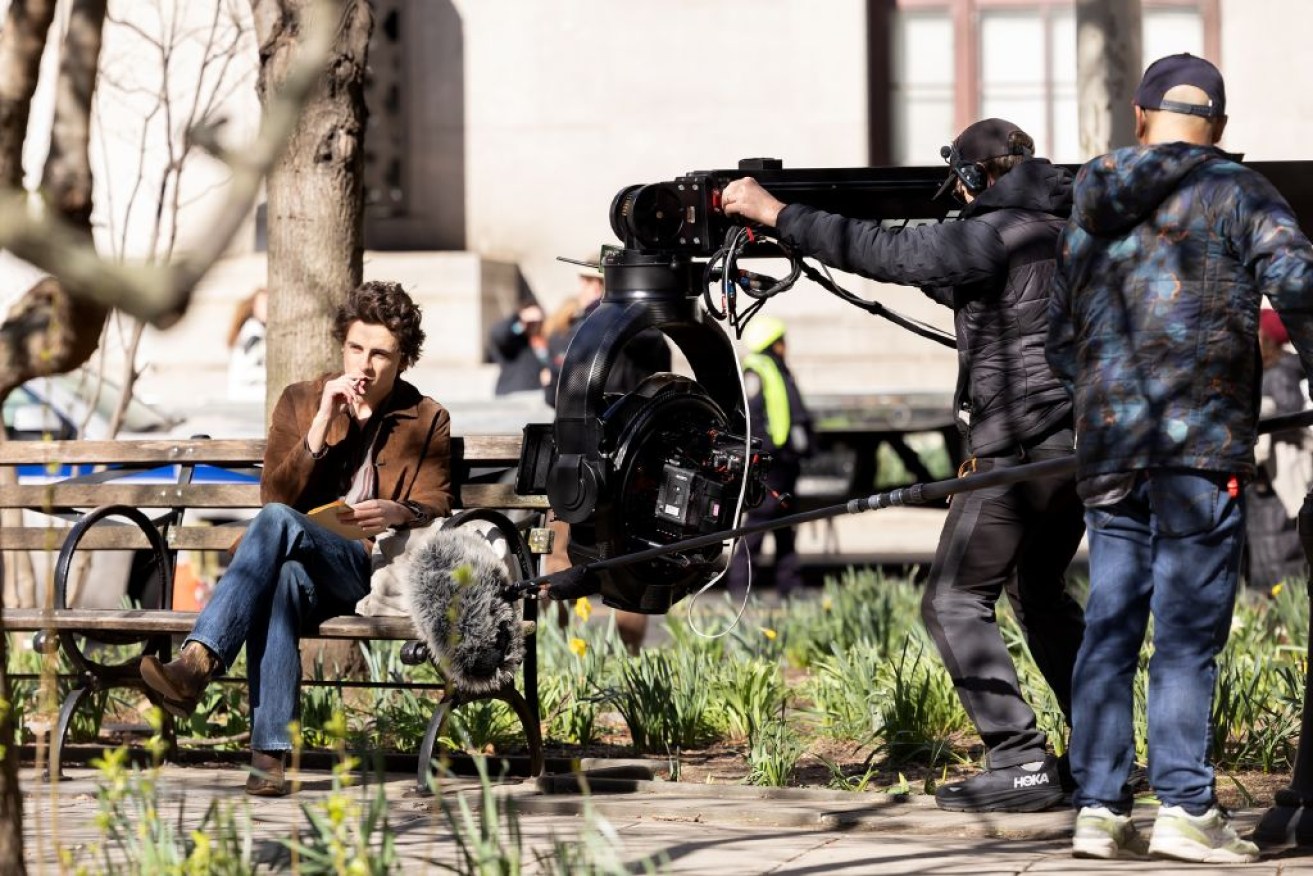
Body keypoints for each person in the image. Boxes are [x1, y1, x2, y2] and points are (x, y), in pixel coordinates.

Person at [723, 118, 1085, 813]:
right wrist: (796, 234)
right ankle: (1100, 758)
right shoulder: (1059, 229)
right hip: (1073, 445)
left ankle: (1018, 762)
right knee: (1036, 589)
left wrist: (776, 214)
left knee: (952, 599)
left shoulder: (993, 229)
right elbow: (957, 283)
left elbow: (889, 253)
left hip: (1020, 446)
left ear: (975, 177)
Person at [1047, 54, 1313, 863]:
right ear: (1220, 128)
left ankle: (1098, 807)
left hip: (1108, 448)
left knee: (1110, 620)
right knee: (1187, 632)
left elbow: (1061, 337)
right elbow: (1298, 285)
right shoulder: (1237, 191)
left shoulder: (1087, 200)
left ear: (1138, 117)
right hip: (1197, 449)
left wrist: (1099, 400)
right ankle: (1186, 809)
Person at [141, 281, 452, 797]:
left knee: (278, 523)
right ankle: (269, 759)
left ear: (403, 359)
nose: (365, 365)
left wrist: (399, 510)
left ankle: (198, 663)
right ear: (342, 345)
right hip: (300, 560)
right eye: (356, 348)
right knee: (282, 571)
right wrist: (321, 425)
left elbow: (437, 501)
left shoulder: (426, 417)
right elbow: (275, 494)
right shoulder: (301, 400)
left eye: (380, 354)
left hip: (365, 566)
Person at [541, 258, 672, 653]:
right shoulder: (650, 329)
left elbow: (555, 394)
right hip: (628, 461)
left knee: (567, 556)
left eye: (589, 279)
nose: (584, 288)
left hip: (582, 462)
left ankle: (565, 650)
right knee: (626, 563)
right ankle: (619, 657)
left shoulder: (588, 330)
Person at [728, 316, 814, 599]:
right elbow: (753, 420)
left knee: (785, 525)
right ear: (772, 343)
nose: (785, 346)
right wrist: (767, 453)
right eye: (781, 341)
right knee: (759, 524)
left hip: (784, 461)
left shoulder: (775, 369)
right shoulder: (757, 371)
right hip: (770, 463)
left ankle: (790, 587)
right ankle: (740, 588)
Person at [1245, 308, 1312, 589]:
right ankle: (1275, 616)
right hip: (1262, 479)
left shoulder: (1279, 371)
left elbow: (1289, 408)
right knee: (1264, 551)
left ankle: (1285, 612)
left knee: (1283, 550)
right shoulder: (1261, 373)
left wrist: (1262, 409)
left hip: (1280, 478)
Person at [487, 302, 551, 395]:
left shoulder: (545, 341)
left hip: (538, 395)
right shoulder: (515, 341)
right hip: (514, 395)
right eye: (531, 323)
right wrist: (518, 318)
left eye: (538, 322)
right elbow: (499, 334)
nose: (534, 325)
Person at [227, 287, 268, 402]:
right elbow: (248, 367)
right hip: (248, 394)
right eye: (264, 304)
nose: (268, 308)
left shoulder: (256, 330)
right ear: (254, 307)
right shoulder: (253, 333)